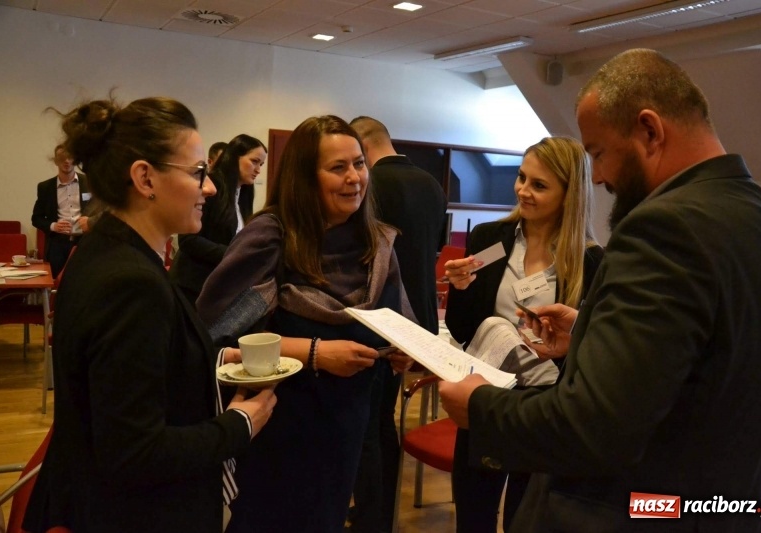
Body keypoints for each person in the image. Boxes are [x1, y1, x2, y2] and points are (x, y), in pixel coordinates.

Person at [439, 48, 761, 533]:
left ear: (649, 131)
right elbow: (711, 356)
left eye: (599, 153)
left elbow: (594, 428)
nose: (600, 177)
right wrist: (589, 332)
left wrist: (479, 407)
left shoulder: (665, 227)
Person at [23, 96, 277, 533]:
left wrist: (214, 361)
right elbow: (135, 451)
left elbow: (122, 380)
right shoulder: (130, 283)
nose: (210, 187)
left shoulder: (107, 250)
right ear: (145, 178)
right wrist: (239, 424)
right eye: (198, 173)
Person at [197, 115, 415, 533]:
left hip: (346, 425)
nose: (354, 178)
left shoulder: (376, 244)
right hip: (276, 427)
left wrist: (403, 352)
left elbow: (393, 324)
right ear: (304, 177)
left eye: (359, 164)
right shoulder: (270, 238)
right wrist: (315, 353)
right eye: (338, 168)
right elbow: (214, 338)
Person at [442, 136, 603, 533]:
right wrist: (459, 291)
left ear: (570, 194)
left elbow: (588, 354)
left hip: (543, 410)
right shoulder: (489, 240)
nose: (522, 191)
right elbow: (463, 330)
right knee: (473, 516)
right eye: (521, 178)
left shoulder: (591, 261)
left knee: (525, 519)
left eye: (539, 185)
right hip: (486, 395)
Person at [348, 115, 448, 533]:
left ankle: (375, 512)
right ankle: (378, 508)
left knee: (370, 423)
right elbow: (438, 247)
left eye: (354, 161)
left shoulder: (374, 186)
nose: (352, 174)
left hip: (384, 318)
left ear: (364, 148)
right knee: (381, 418)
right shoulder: (431, 183)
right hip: (421, 315)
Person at [170, 134, 267, 305]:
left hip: (217, 285)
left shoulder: (243, 194)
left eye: (261, 164)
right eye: (254, 161)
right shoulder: (211, 187)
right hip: (192, 285)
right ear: (235, 157)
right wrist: (233, 254)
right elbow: (188, 240)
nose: (258, 169)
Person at [31, 144, 93, 276]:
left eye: (70, 157)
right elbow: (36, 218)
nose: (67, 161)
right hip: (57, 245)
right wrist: (53, 226)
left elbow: (102, 211)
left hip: (83, 242)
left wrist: (90, 221)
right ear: (55, 161)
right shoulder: (45, 187)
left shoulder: (89, 182)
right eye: (62, 158)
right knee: (55, 286)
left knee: (83, 281)